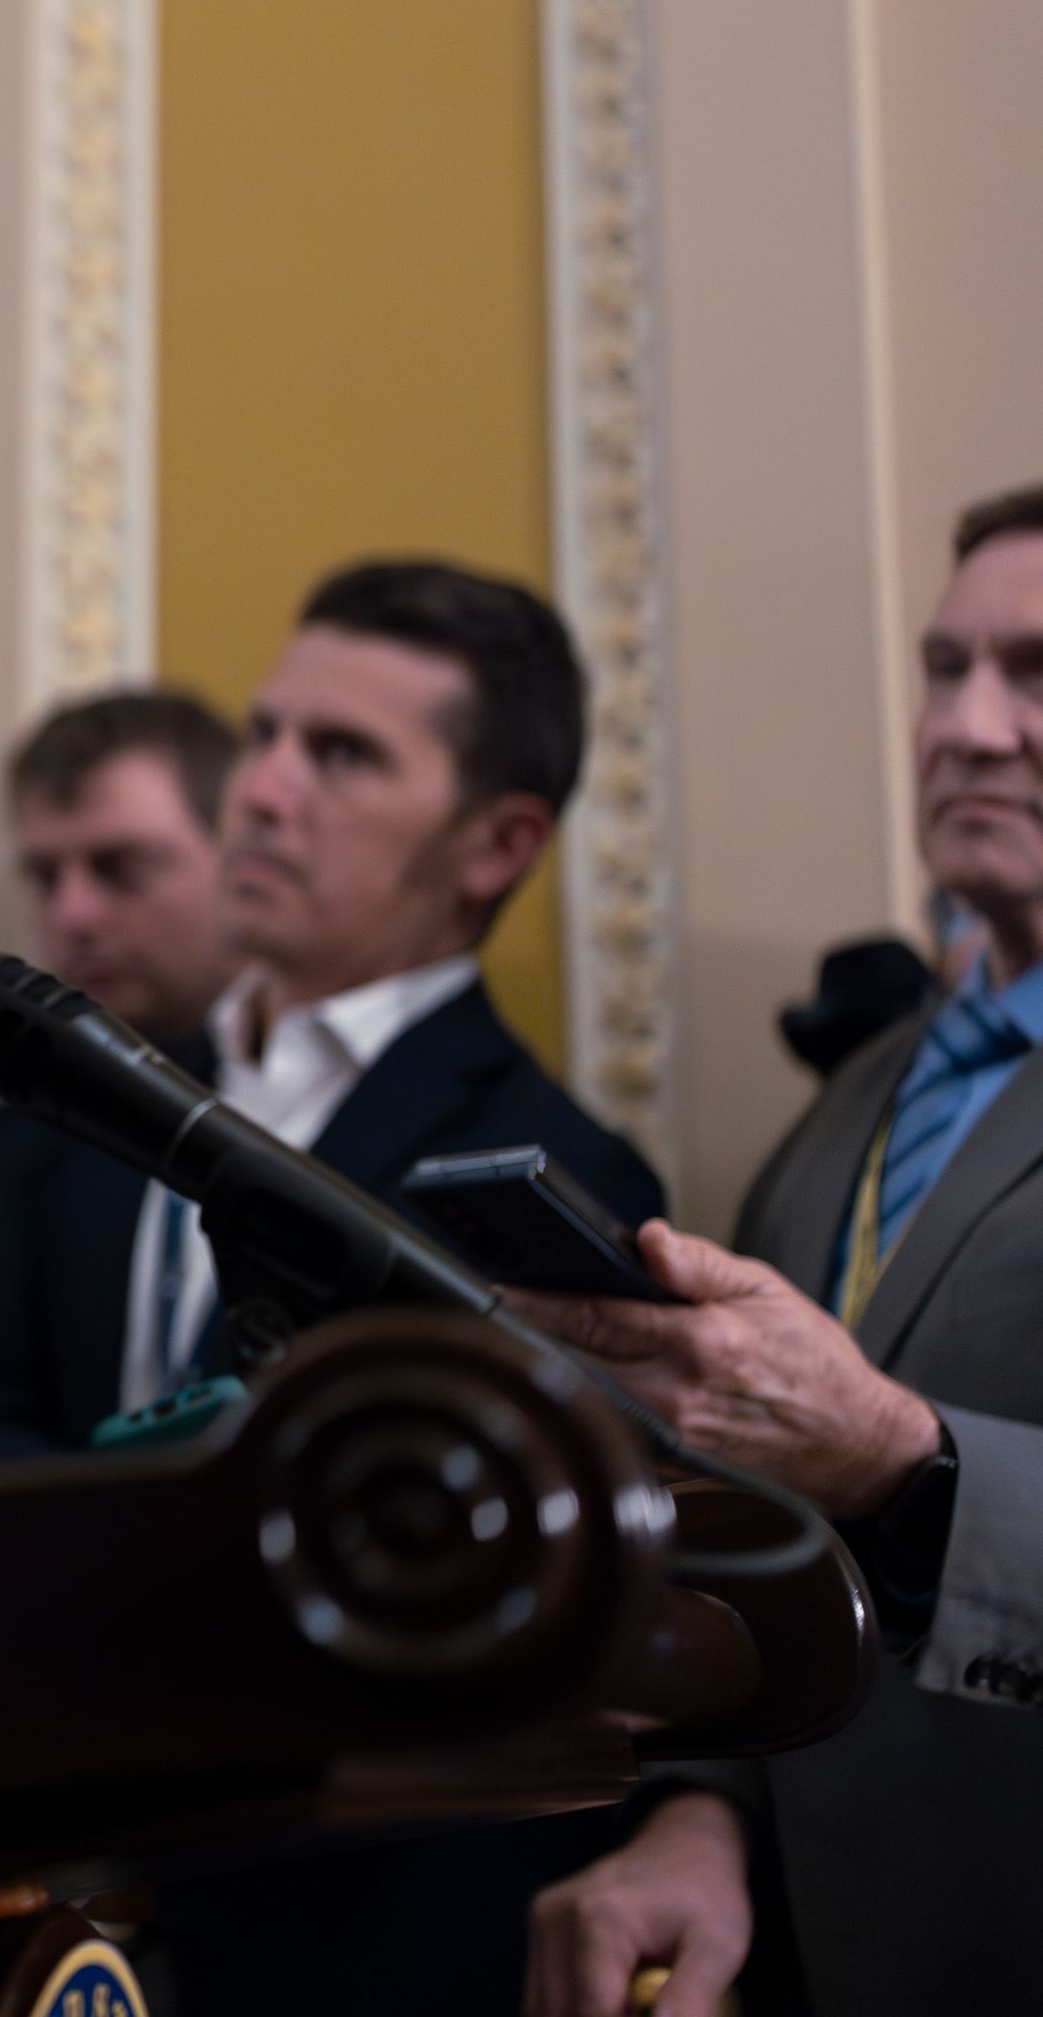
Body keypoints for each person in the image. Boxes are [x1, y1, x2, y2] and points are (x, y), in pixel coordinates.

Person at [111, 562, 666, 2017]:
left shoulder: (566, 1182)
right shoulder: (98, 1090)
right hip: (46, 1893)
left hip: (360, 1941)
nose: (264, 788)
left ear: (496, 844)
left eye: (342, 755)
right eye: (268, 732)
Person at [520, 482, 1043, 2017]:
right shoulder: (856, 1104)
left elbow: (875, 1473)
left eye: (1035, 674)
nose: (972, 727)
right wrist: (703, 1817)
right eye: (946, 671)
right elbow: (777, 1560)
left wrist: (897, 1454)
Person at [0, 689, 243, 1469]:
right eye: (45, 876)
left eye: (121, 869)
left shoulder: (346, 1113)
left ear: (243, 860)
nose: (74, 913)